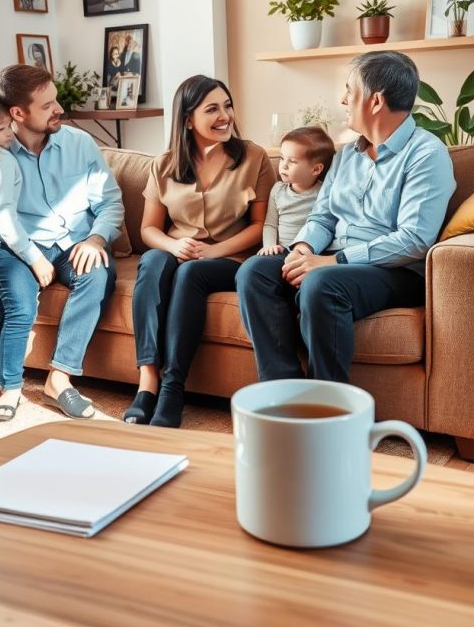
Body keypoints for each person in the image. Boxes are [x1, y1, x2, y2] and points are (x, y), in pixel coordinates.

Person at [236, 51, 456, 384]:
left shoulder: (427, 154)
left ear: (376, 100)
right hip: (330, 258)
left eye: (349, 91)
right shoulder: (346, 155)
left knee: (321, 283)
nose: (343, 99)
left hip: (392, 271)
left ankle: (329, 406)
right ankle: (284, 391)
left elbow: (414, 239)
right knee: (255, 271)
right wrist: (303, 248)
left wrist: (332, 262)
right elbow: (322, 215)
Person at [0, 64, 124, 420]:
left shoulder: (79, 143)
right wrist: (27, 256)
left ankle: (60, 378)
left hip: (75, 243)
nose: (59, 110)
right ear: (17, 113)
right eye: (47, 105)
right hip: (23, 250)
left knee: (98, 273)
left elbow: (110, 202)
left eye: (56, 100)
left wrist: (97, 239)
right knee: (13, 304)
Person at [123, 74, 275, 429]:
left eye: (228, 106)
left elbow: (259, 228)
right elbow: (149, 230)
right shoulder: (164, 165)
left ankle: (173, 387)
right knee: (153, 261)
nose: (225, 116)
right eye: (213, 109)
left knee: (192, 272)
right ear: (188, 119)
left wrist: (214, 251)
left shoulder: (253, 157)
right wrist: (174, 244)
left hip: (230, 259)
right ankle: (147, 383)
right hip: (177, 252)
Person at [0, 93, 55, 421]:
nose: (10, 134)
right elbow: (4, 217)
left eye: (10, 126)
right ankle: (12, 387)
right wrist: (35, 257)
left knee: (0, 313)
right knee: (22, 308)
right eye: (3, 128)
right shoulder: (0, 160)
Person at [258, 126, 335, 256]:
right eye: (282, 158)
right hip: (280, 252)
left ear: (316, 169)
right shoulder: (277, 190)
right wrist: (269, 246)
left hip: (311, 254)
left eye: (292, 161)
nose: (284, 165)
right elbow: (270, 225)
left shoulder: (324, 192)